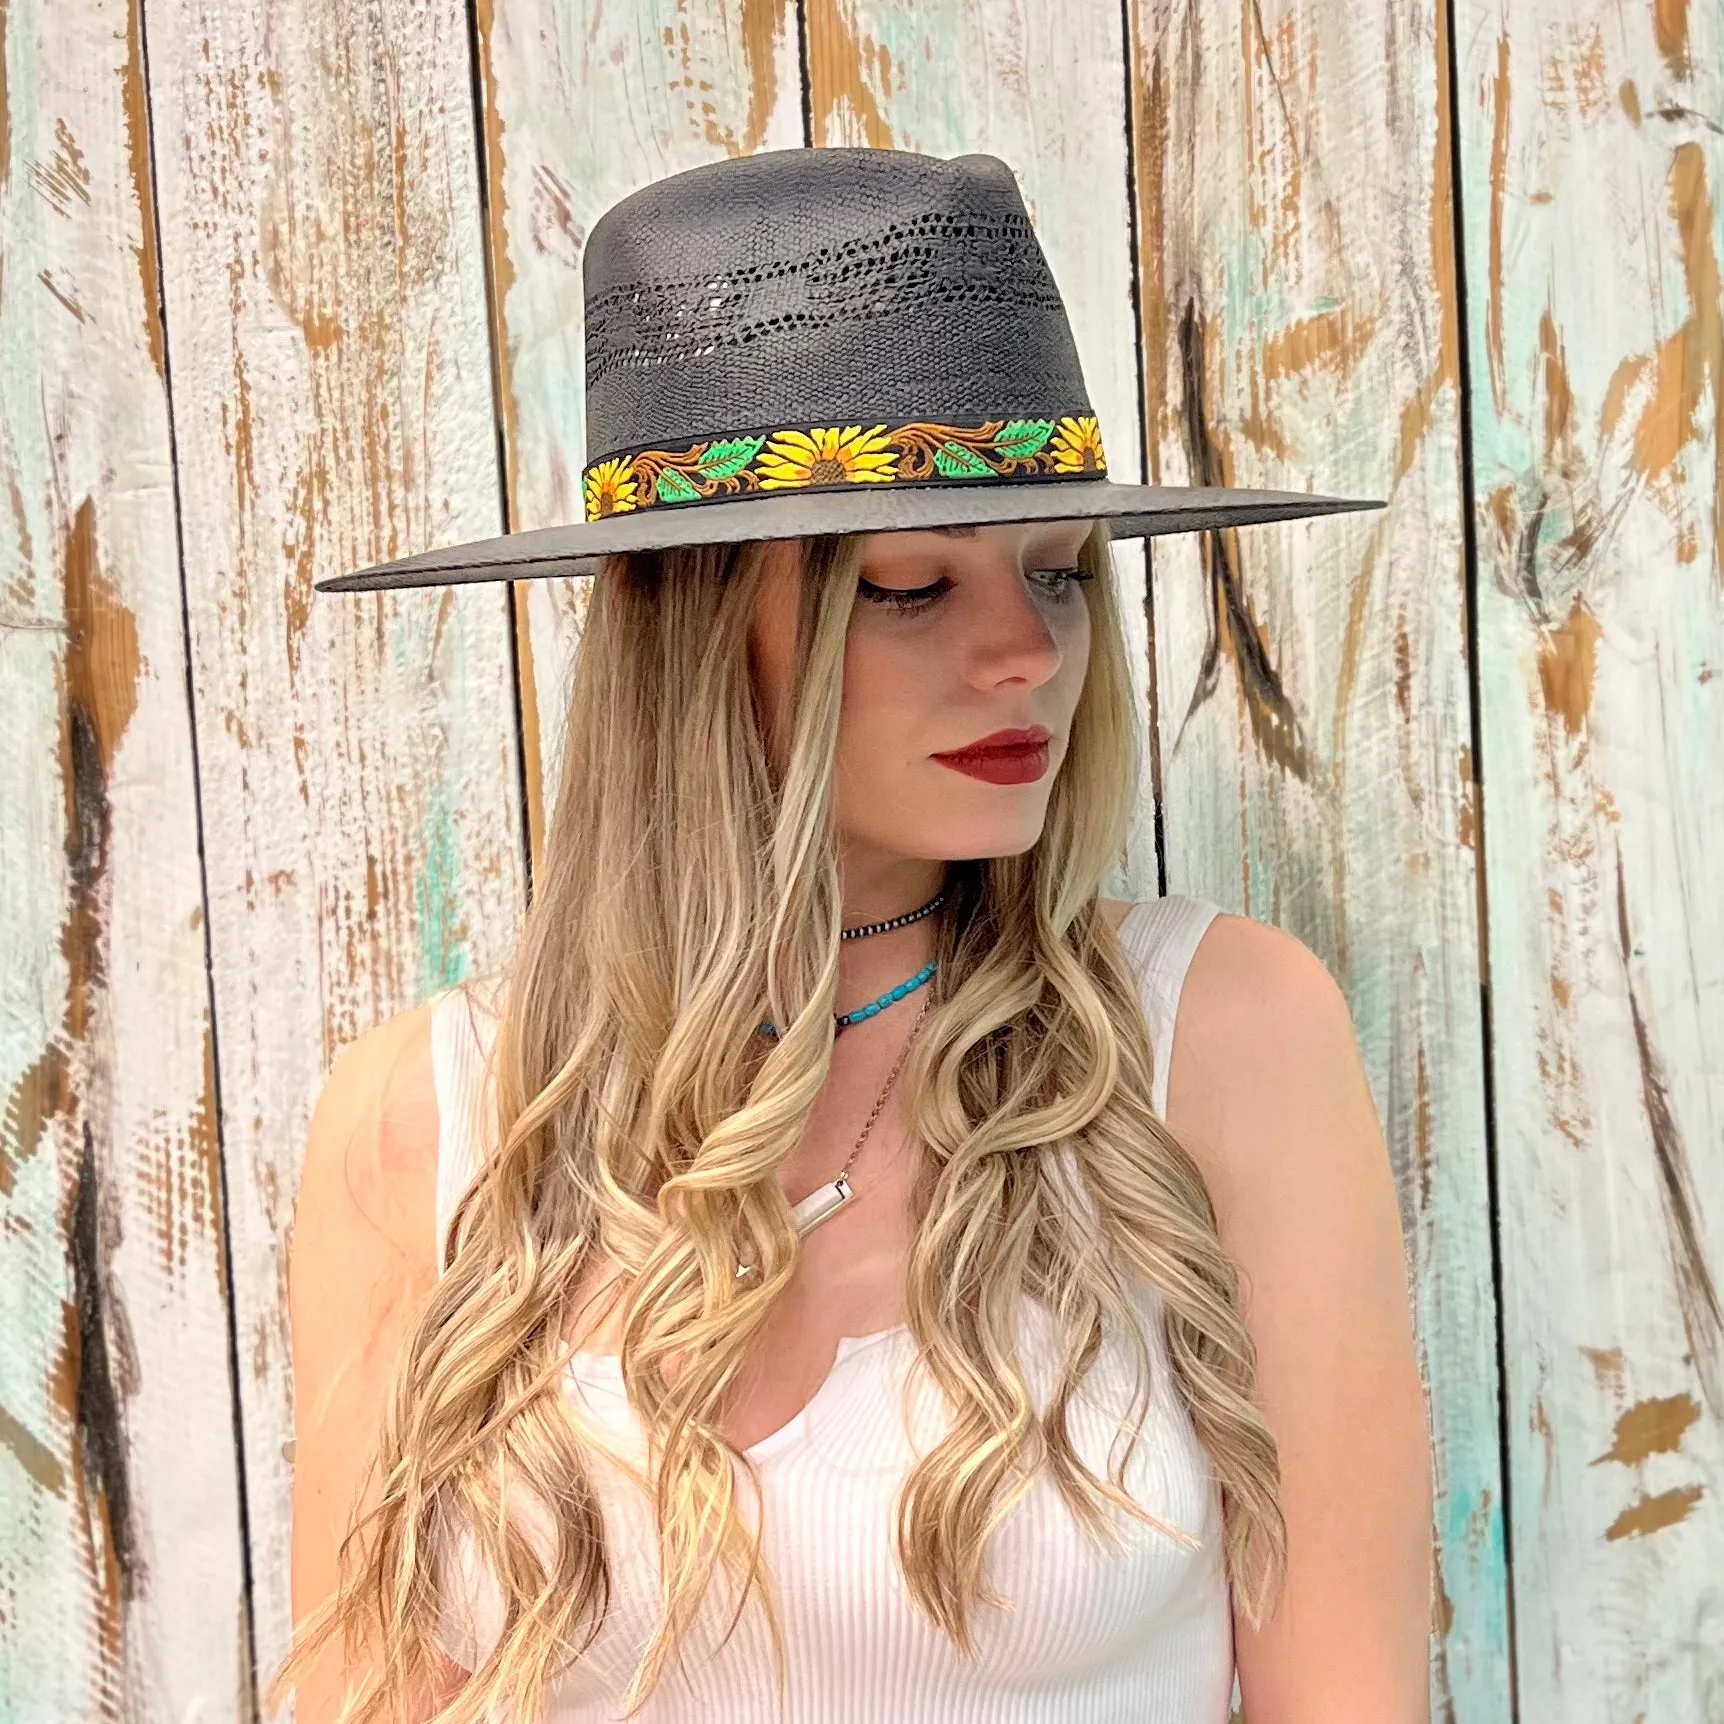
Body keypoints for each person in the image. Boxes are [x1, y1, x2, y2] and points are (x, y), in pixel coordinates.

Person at [276, 147, 1433, 1723]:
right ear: (690, 629)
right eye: (905, 587)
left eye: (1056, 573)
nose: (1026, 652)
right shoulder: (434, 1118)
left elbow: (1344, 1692)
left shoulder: (1217, 1035)